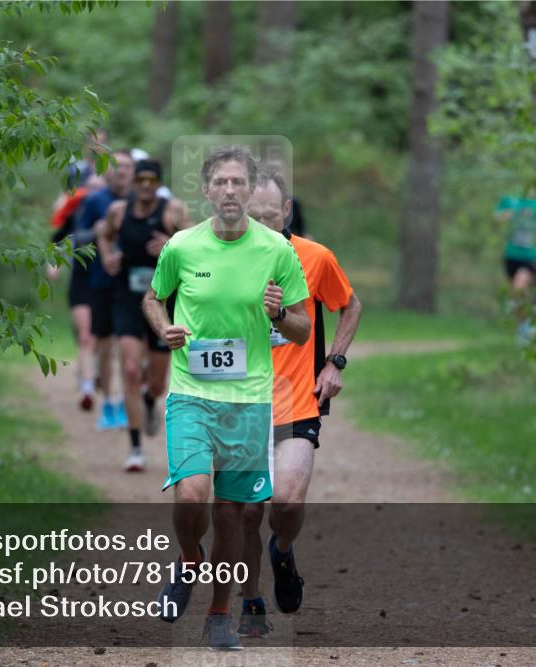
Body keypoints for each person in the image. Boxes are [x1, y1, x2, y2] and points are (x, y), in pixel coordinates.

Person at [143, 146, 311, 650]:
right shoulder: (182, 246)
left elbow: (303, 329)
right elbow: (153, 298)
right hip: (191, 393)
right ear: (207, 190)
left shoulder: (277, 251)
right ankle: (190, 555)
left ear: (250, 187)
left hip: (250, 402)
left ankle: (219, 611)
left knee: (234, 512)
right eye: (222, 182)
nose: (231, 191)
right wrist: (164, 329)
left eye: (240, 182)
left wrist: (280, 315)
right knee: (192, 493)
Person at [239, 170, 362, 637]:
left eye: (272, 217)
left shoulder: (313, 257)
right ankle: (251, 601)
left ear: (287, 211)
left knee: (286, 503)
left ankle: (283, 551)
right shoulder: (221, 260)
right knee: (249, 510)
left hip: (297, 401)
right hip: (241, 404)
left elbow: (349, 305)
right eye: (255, 218)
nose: (264, 227)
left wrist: (335, 363)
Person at [97, 159, 191, 472]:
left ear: (159, 182)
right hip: (127, 297)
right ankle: (135, 448)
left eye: (152, 179)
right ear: (134, 182)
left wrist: (172, 243)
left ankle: (151, 401)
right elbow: (104, 233)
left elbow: (198, 246)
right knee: (131, 368)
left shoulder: (172, 211)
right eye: (141, 179)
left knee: (157, 383)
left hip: (163, 301)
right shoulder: (119, 212)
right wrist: (108, 255)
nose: (146, 185)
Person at [77, 149, 135, 430]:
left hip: (134, 285)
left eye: (127, 166)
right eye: (117, 166)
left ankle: (126, 400)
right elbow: (77, 237)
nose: (122, 171)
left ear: (133, 172)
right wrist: (97, 231)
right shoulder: (94, 200)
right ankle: (110, 404)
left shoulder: (142, 201)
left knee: (131, 350)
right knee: (105, 346)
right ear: (107, 170)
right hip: (100, 282)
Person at [49, 172, 106, 410]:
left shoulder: (112, 214)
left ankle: (94, 373)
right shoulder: (76, 213)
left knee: (99, 340)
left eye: (98, 188)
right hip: (80, 280)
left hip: (105, 283)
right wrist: (52, 265)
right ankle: (87, 388)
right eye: (89, 187)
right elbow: (57, 239)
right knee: (85, 336)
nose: (93, 192)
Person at [495, 195, 536, 341]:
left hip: (530, 257)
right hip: (511, 255)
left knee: (519, 287)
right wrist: (512, 214)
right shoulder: (511, 201)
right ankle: (523, 328)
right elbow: (497, 218)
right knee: (516, 296)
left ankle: (533, 320)